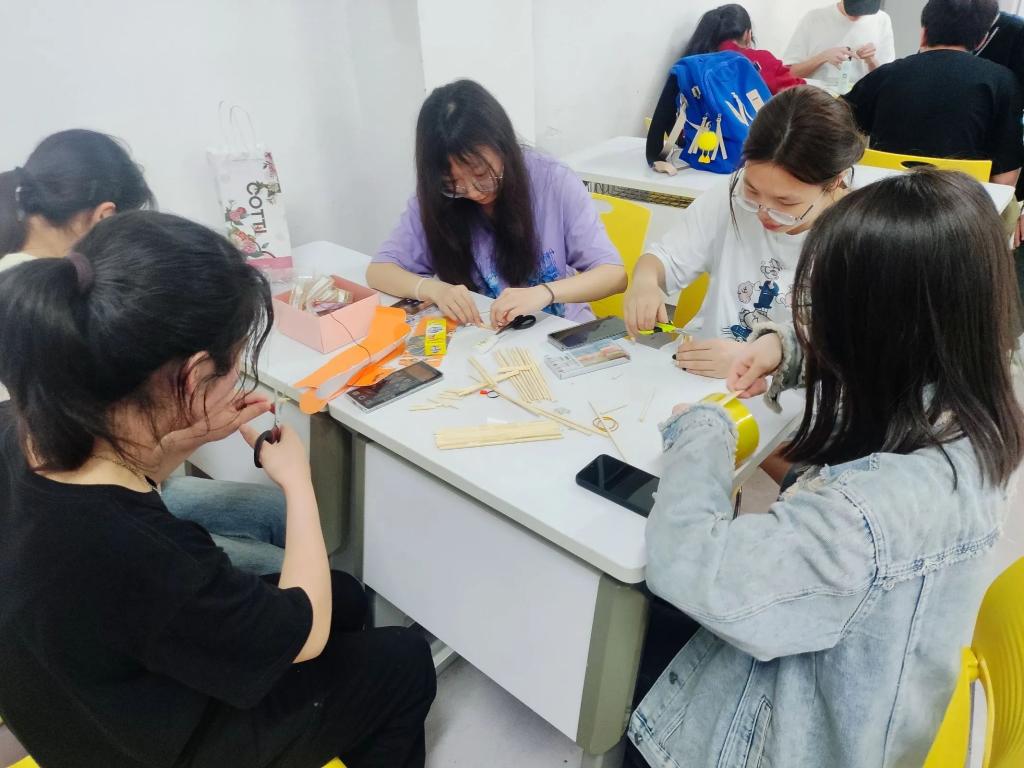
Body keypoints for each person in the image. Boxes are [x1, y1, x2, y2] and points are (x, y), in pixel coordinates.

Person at [0, 211, 436, 767]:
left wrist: (183, 435)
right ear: (194, 372)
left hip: (74, 687)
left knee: (346, 596)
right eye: (235, 363)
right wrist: (297, 483)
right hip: (139, 745)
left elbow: (122, 484)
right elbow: (304, 632)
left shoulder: (29, 422)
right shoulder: (145, 551)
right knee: (403, 659)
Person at [625, 169, 1023, 768]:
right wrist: (781, 350)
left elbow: (691, 570)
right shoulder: (979, 399)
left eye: (832, 311)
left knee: (628, 634)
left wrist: (704, 430)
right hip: (874, 687)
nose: (819, 327)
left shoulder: (868, 514)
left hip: (791, 732)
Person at [0, 129, 286, 575]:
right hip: (83, 542)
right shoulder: (50, 328)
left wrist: (187, 440)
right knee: (292, 568)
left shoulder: (41, 296)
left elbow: (122, 472)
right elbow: (115, 497)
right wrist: (299, 483)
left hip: (89, 509)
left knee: (273, 515)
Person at [626, 85, 865, 378]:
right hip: (700, 373)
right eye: (752, 191)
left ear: (836, 181)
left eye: (785, 203)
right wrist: (646, 281)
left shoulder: (861, 236)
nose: (763, 212)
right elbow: (665, 259)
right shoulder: (730, 193)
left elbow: (850, 352)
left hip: (787, 392)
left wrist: (760, 360)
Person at [367, 79, 626, 329]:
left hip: (559, 331)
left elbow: (614, 275)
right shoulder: (437, 198)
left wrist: (545, 293)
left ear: (503, 147)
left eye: (481, 174)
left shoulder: (552, 181)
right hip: (485, 336)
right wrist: (434, 289)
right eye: (453, 183)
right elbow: (379, 271)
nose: (472, 192)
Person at [844, 0, 1022, 187]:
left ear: (924, 34)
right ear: (981, 40)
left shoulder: (885, 74)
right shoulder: (1003, 83)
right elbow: (1004, 180)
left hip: (882, 194)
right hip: (959, 200)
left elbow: (836, 124)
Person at [784, 0, 895, 90]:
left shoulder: (882, 20)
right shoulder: (814, 18)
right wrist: (823, 57)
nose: (858, 14)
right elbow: (788, 74)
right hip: (817, 102)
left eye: (866, 7)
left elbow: (886, 81)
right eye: (854, 7)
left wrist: (871, 61)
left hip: (859, 102)